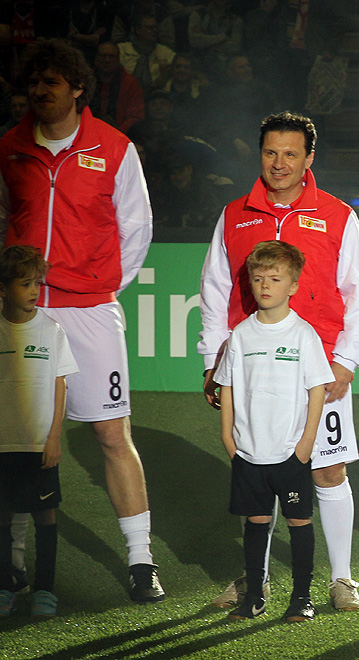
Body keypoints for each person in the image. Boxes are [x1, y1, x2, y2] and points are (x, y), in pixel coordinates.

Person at [199, 111, 359, 612]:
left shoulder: (338, 215)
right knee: (255, 467)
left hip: (320, 371)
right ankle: (254, 580)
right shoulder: (234, 215)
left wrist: (346, 359)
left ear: (308, 159)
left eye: (291, 154)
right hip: (254, 370)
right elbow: (214, 291)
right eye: (270, 153)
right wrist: (213, 361)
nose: (279, 163)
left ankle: (341, 579)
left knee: (329, 471)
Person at [0, 38, 161, 603]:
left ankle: (141, 561)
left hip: (91, 311)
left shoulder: (114, 148)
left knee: (112, 435)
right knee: (16, 439)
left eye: (51, 82)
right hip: (24, 312)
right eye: (33, 82)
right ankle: (13, 564)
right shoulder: (10, 147)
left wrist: (99, 283)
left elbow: (136, 227)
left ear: (77, 89)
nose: (39, 91)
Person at [215, 240, 330, 622]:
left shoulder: (303, 334)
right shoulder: (241, 335)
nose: (265, 285)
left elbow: (317, 389)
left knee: (299, 522)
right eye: (259, 278)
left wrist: (306, 442)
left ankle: (301, 598)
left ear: (293, 286)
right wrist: (228, 438)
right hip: (249, 451)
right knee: (257, 522)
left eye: (275, 279)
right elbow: (227, 386)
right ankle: (254, 597)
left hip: (290, 451)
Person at [0, 245, 77, 618]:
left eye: (37, 283)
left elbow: (60, 384)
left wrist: (54, 437)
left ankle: (45, 590)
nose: (34, 290)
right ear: (3, 288)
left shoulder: (51, 329)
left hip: (39, 444)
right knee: (3, 515)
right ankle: (6, 587)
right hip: (3, 443)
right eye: (25, 283)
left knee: (45, 515)